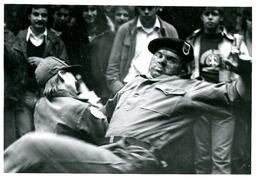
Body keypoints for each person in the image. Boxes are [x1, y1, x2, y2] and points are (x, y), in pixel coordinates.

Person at [4, 37, 251, 173]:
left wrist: (246, 73)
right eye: (159, 56)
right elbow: (100, 120)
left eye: (171, 60)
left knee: (30, 146)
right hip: (107, 154)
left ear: (183, 69)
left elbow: (234, 94)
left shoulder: (187, 88)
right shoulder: (132, 85)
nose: (162, 62)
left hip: (133, 161)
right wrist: (63, 98)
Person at [186, 7, 250, 174]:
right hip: (200, 102)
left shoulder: (233, 42)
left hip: (224, 103)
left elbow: (246, 70)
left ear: (220, 17)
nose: (210, 18)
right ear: (201, 16)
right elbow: (186, 70)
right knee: (201, 158)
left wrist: (234, 86)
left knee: (221, 158)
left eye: (214, 14)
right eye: (207, 14)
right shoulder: (193, 40)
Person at [7, 5, 69, 138]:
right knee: (25, 136)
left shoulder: (56, 41)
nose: (40, 18)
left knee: (45, 137)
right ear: (29, 16)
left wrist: (44, 62)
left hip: (47, 97)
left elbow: (66, 68)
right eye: (36, 14)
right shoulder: (18, 39)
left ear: (48, 17)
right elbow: (10, 65)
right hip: (24, 95)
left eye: (44, 15)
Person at [106, 6, 179, 95]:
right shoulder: (124, 30)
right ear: (137, 7)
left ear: (158, 7)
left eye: (150, 8)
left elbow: (175, 69)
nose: (146, 11)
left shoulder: (170, 31)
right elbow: (112, 70)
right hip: (128, 87)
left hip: (158, 90)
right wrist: (121, 92)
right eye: (142, 8)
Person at [33, 56, 107, 143]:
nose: (75, 79)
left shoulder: (40, 105)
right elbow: (105, 135)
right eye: (71, 73)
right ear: (61, 75)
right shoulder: (81, 109)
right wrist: (95, 104)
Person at [74, 5, 115, 103]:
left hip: (103, 84)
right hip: (81, 83)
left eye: (93, 9)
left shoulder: (107, 33)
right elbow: (73, 60)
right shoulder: (74, 33)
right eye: (85, 10)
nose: (89, 14)